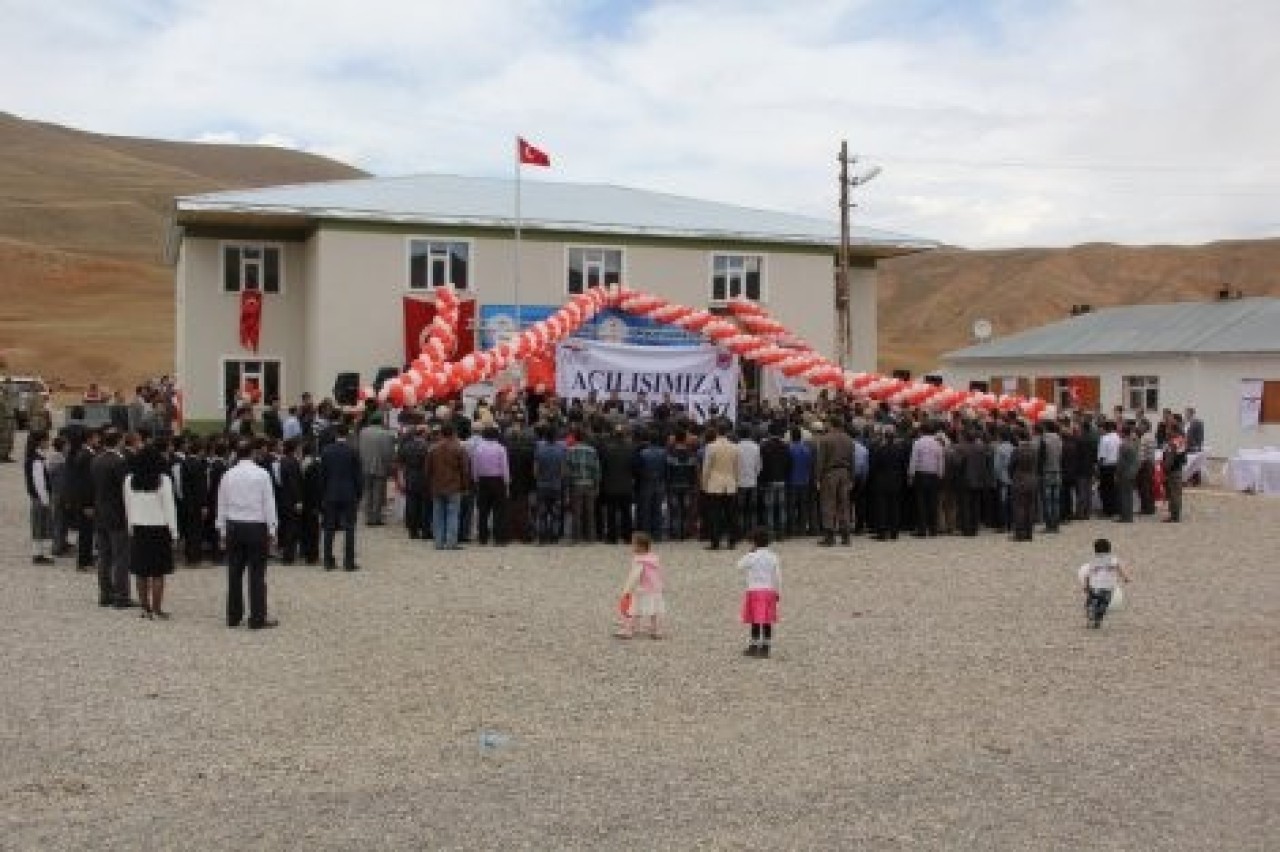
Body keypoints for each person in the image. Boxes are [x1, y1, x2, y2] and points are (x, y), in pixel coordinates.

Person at [216, 440, 279, 629]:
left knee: (234, 573)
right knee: (257, 574)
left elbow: (222, 504)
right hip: (256, 527)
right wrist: (272, 529)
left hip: (234, 526)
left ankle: (233, 616)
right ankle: (257, 617)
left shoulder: (228, 475)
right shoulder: (262, 474)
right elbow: (268, 503)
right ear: (253, 453)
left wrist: (222, 530)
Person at [123, 444, 180, 619]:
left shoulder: (129, 480)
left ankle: (144, 608)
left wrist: (130, 526)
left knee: (140, 571)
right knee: (158, 572)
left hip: (139, 527)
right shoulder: (163, 480)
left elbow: (127, 505)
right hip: (159, 528)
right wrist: (174, 532)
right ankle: (156, 608)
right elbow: (169, 507)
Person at [91, 429, 134, 607]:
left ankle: (105, 593)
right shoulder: (119, 462)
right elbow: (125, 489)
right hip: (117, 513)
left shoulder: (96, 460)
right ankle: (121, 595)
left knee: (104, 556)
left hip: (100, 512)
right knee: (121, 557)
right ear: (119, 441)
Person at [319, 424, 363, 570]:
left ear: (336, 434)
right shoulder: (352, 451)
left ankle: (327, 561)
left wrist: (323, 493)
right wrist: (359, 493)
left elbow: (323, 475)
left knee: (329, 527)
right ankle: (348, 561)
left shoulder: (326, 451)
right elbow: (358, 476)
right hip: (349, 493)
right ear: (347, 434)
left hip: (330, 492)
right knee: (349, 528)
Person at [426, 423, 470, 550]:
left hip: (437, 485)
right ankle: (451, 542)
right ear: (454, 433)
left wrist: (429, 484)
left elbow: (427, 470)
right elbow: (465, 470)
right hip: (454, 486)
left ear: (441, 433)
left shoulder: (433, 449)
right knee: (453, 514)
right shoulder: (459, 449)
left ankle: (438, 542)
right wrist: (465, 486)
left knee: (438, 514)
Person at [738, 527, 781, 658]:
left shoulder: (751, 556)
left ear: (754, 542)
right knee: (767, 621)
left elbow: (739, 566)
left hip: (754, 591)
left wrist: (749, 553)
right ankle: (766, 648)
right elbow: (777, 576)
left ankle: (754, 645)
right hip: (769, 591)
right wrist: (777, 591)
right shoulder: (773, 557)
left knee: (755, 620)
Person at [614, 531, 665, 640]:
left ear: (640, 547)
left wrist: (627, 590)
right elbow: (659, 573)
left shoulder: (640, 561)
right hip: (655, 589)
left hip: (643, 589)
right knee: (654, 610)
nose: (631, 546)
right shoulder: (653, 558)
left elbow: (634, 576)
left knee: (634, 610)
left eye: (633, 544)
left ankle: (629, 630)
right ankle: (656, 630)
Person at [1078, 538, 1132, 629]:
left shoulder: (1094, 561)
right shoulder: (1112, 560)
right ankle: (1097, 620)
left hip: (1094, 587)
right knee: (1103, 605)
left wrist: (1085, 585)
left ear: (1095, 551)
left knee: (1092, 603)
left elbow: (1087, 574)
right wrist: (1125, 578)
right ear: (1109, 550)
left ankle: (1091, 618)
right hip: (1108, 588)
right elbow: (1120, 569)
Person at [700, 425, 739, 550]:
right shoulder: (734, 447)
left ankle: (715, 541)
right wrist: (736, 482)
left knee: (714, 514)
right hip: (730, 483)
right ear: (727, 433)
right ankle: (732, 541)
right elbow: (737, 468)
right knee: (730, 514)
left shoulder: (711, 447)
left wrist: (704, 484)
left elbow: (706, 467)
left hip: (714, 483)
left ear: (717, 432)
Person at [471, 426, 510, 545]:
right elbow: (504, 467)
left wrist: (476, 479)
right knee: (499, 510)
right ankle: (499, 538)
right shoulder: (501, 448)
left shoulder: (478, 449)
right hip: (497, 480)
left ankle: (483, 537)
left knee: (483, 510)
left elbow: (475, 466)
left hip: (483, 480)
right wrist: (506, 481)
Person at [357, 414, 396, 526]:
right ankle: (376, 517)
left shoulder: (362, 432)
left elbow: (359, 448)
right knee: (378, 493)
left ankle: (368, 516)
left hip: (364, 466)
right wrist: (389, 466)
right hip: (380, 466)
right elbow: (388, 453)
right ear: (381, 421)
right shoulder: (386, 434)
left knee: (367, 492)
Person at [24, 430, 55, 564]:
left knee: (41, 525)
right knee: (41, 525)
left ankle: (41, 553)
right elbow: (39, 483)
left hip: (38, 497)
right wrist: (45, 500)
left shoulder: (36, 457)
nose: (48, 442)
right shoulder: (37, 460)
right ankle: (39, 554)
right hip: (40, 498)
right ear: (41, 441)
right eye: (47, 440)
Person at [1162, 425, 1188, 523]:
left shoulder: (1172, 443)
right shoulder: (1182, 441)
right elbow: (1184, 458)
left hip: (1172, 471)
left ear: (1174, 431)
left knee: (1173, 494)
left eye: (1169, 430)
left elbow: (1170, 459)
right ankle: (1176, 514)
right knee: (1177, 493)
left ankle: (1174, 515)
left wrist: (1165, 469)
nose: (1167, 432)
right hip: (1179, 469)